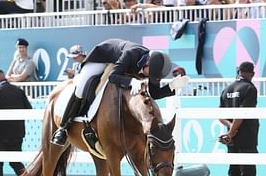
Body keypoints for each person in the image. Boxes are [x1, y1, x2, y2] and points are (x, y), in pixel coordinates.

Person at [51, 38, 189, 147]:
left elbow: (155, 93)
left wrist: (171, 87)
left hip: (119, 63)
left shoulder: (153, 66)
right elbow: (113, 76)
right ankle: (63, 128)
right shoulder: (132, 54)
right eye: (149, 74)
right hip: (102, 58)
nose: (149, 78)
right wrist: (130, 81)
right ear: (147, 64)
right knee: (80, 89)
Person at [219, 61, 266, 176]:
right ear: (252, 74)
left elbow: (221, 116)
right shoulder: (250, 88)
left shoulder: (227, 89)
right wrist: (233, 132)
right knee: (248, 172)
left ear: (238, 71)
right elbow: (243, 114)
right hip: (246, 137)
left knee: (233, 172)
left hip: (231, 140)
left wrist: (230, 131)